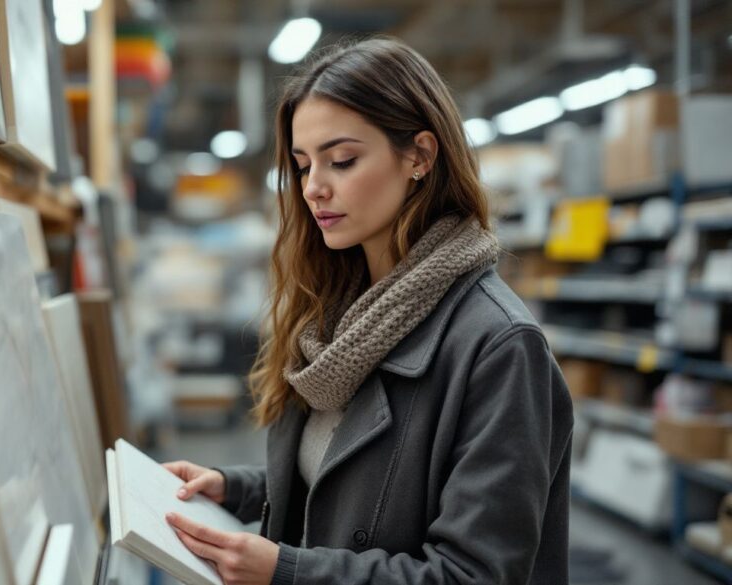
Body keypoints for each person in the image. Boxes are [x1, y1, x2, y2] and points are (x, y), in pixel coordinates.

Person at [162, 36, 573, 585]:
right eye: (304, 166)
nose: (314, 188)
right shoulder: (338, 315)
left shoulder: (498, 344)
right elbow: (361, 484)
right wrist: (235, 487)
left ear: (420, 157)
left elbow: (476, 573)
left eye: (343, 160)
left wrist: (288, 571)